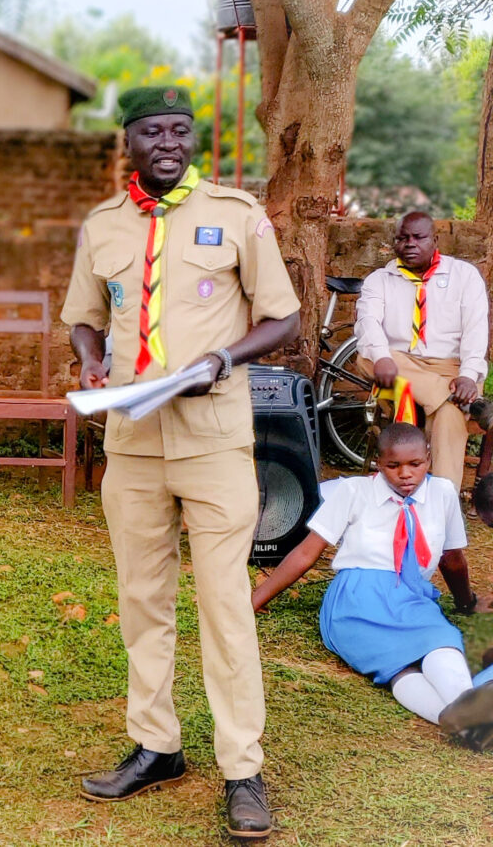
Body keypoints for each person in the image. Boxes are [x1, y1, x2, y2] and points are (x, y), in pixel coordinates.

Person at [61, 85, 301, 839]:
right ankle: (157, 745)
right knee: (143, 600)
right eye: (151, 131)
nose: (167, 141)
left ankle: (243, 767)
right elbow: (83, 318)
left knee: (225, 607)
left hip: (212, 440)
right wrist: (93, 362)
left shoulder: (236, 214)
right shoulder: (102, 225)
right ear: (126, 143)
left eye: (179, 130)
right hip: (131, 441)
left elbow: (284, 317)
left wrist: (225, 356)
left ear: (190, 139)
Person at [252, 423, 493, 751]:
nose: (405, 474)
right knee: (397, 665)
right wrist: (254, 600)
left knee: (442, 640)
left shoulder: (443, 493)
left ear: (429, 459)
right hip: (358, 598)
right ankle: (465, 719)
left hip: (412, 600)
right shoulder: (354, 492)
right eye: (393, 466)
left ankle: (465, 713)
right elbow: (307, 553)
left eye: (415, 464)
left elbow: (451, 559)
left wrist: (467, 603)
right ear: (378, 463)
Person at [355, 212, 490, 492]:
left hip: (451, 367)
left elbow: (477, 329)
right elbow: (368, 323)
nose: (410, 244)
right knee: (368, 355)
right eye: (402, 238)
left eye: (419, 237)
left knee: (449, 416)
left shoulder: (464, 276)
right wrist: (381, 356)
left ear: (435, 240)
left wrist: (467, 375)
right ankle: (465, 403)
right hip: (400, 364)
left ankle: (443, 506)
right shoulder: (379, 280)